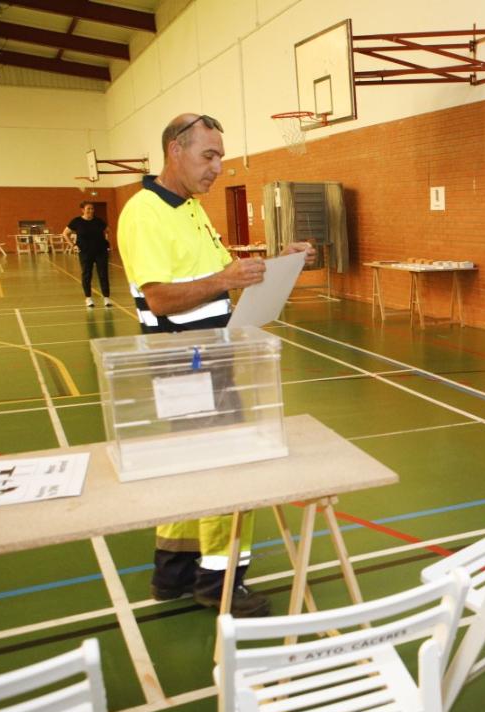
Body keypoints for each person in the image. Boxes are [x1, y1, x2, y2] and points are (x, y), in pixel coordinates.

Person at [118, 113, 313, 617]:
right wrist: (227, 279)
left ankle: (176, 572)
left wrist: (274, 263)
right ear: (174, 151)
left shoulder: (188, 209)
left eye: (220, 156)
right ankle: (221, 581)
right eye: (209, 156)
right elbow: (160, 298)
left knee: (190, 468)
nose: (218, 167)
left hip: (208, 355)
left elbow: (209, 280)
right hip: (186, 361)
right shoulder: (145, 213)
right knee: (226, 470)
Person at [64, 202, 112, 308]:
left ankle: (106, 298)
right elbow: (65, 233)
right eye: (88, 208)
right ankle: (88, 298)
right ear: (82, 209)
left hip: (100, 251)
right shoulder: (77, 221)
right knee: (87, 274)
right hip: (85, 252)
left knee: (103, 274)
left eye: (92, 208)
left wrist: (106, 242)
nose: (91, 211)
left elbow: (108, 230)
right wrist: (73, 246)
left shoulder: (98, 221)